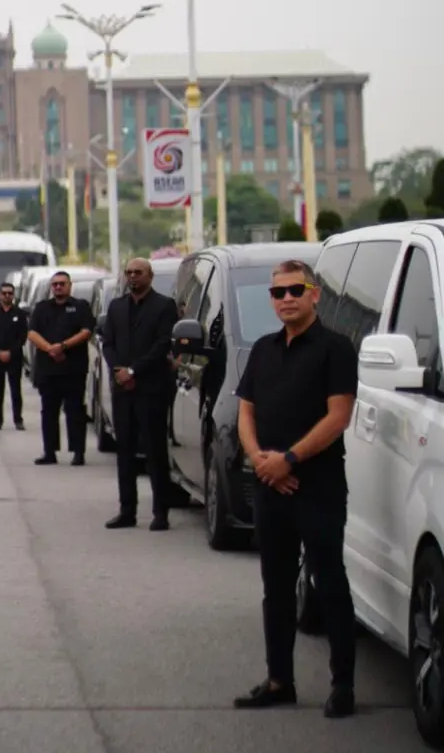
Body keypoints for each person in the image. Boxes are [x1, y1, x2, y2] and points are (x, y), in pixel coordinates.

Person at [233, 259, 358, 719]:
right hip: (271, 488)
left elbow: (337, 417)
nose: (285, 298)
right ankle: (279, 680)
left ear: (314, 293)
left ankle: (342, 685)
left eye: (294, 290)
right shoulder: (263, 350)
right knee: (276, 588)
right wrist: (260, 461)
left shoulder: (335, 349)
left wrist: (288, 459)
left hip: (318, 488)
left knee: (330, 585)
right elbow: (246, 411)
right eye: (277, 292)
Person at [102, 257, 178, 531]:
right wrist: (120, 371)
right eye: (129, 272)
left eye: (138, 272)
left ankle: (161, 512)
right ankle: (127, 510)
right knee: (124, 451)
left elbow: (162, 345)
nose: (133, 277)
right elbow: (107, 343)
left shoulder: (164, 306)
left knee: (155, 450)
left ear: (150, 276)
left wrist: (134, 371)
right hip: (123, 390)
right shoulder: (117, 307)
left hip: (151, 388)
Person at [27, 270, 95, 466]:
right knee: (48, 412)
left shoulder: (80, 307)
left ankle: (78, 452)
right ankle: (50, 452)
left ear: (69, 286)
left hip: (73, 370)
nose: (58, 287)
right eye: (55, 284)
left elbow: (86, 332)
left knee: (75, 412)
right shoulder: (41, 308)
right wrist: (51, 349)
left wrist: (63, 346)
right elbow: (32, 333)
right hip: (48, 370)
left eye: (62, 283)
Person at [0, 282, 28, 430]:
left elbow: (23, 336)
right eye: (4, 293)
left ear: (13, 295)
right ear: (0, 295)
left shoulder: (20, 314)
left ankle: (18, 419)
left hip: (14, 358)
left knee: (16, 390)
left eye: (10, 293)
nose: (7, 296)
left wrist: (11, 351)